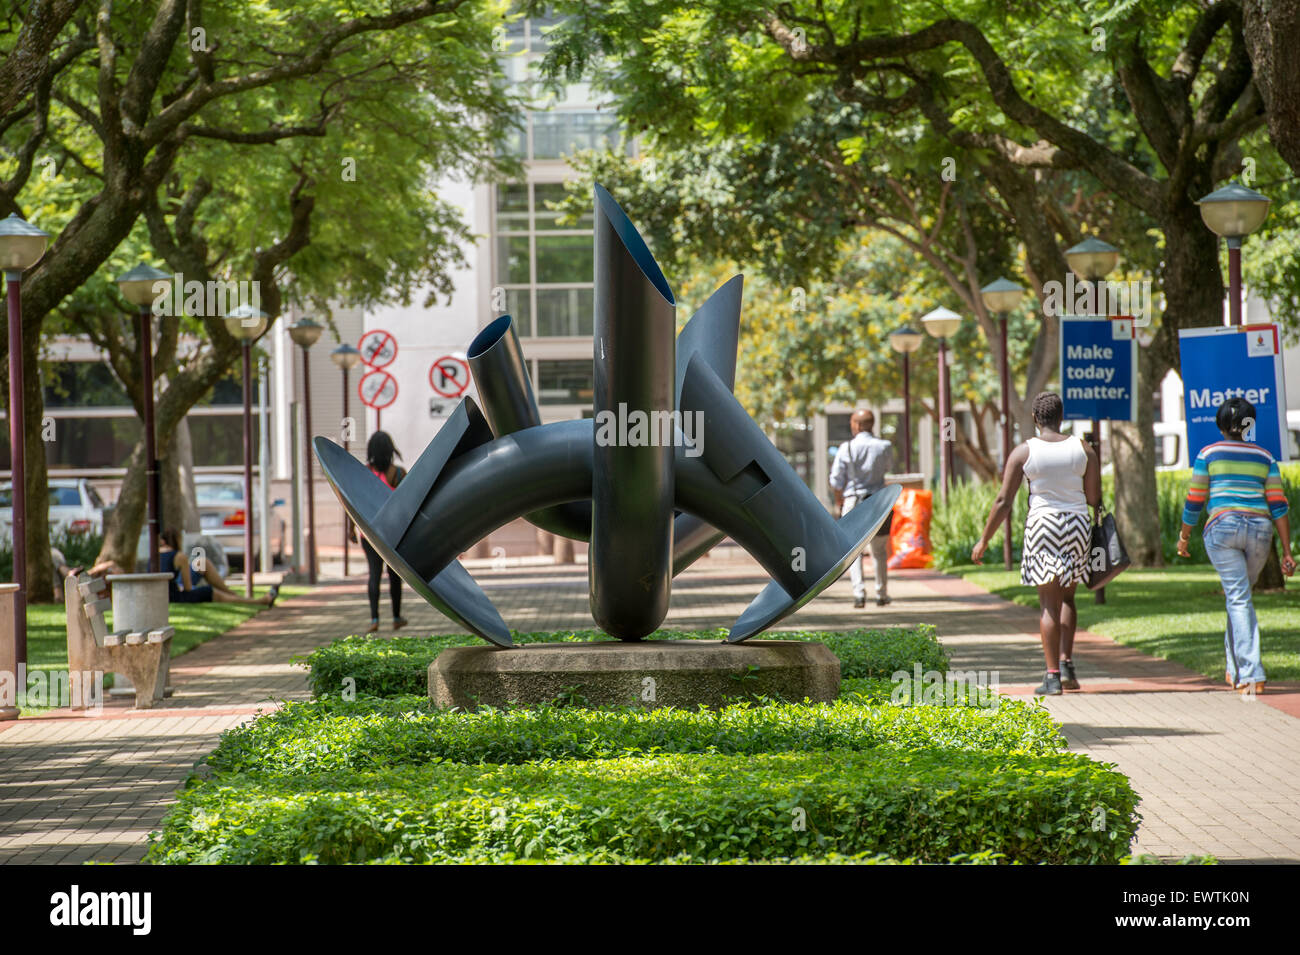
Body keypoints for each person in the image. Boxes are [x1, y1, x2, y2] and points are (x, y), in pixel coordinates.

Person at [972, 392, 1100, 695]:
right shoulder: (1084, 450)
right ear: (1062, 417)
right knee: (1068, 598)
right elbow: (1094, 498)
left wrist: (984, 539)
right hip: (1078, 525)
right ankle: (1068, 664)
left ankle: (1052, 676)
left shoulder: (1023, 452)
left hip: (1043, 525)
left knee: (1048, 604)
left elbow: (1004, 501)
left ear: (1034, 418)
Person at [1178, 397, 1294, 696]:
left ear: (1220, 424)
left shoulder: (1209, 453)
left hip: (1223, 528)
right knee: (1239, 596)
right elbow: (1279, 506)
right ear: (1249, 425)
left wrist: (1184, 535)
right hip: (1260, 530)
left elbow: (1195, 500)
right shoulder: (1265, 457)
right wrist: (1286, 551)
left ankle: (1252, 672)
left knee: (1238, 598)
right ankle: (1234, 669)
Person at [830, 409, 895, 608]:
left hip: (854, 502)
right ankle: (881, 593)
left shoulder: (846, 448)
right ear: (872, 425)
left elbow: (836, 480)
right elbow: (888, 468)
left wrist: (839, 500)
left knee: (853, 551)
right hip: (879, 501)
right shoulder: (884, 446)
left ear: (857, 425)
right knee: (879, 550)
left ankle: (859, 594)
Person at [360, 431, 408, 633]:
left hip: (369, 532)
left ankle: (374, 619)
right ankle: (396, 618)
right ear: (391, 449)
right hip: (392, 533)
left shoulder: (363, 473)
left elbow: (352, 501)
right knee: (394, 575)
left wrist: (351, 530)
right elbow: (407, 503)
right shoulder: (398, 474)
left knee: (374, 574)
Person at [160, 527, 277, 606]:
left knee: (202, 562)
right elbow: (188, 589)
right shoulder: (179, 556)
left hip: (168, 590)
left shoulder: (156, 554)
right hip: (176, 595)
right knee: (211, 592)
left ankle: (230, 593)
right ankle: (259, 601)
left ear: (163, 541)